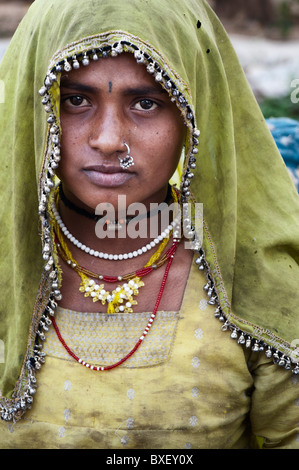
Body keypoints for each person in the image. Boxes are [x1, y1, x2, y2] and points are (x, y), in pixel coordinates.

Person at [0, 0, 298, 450]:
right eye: (75, 100)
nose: (106, 139)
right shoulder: (7, 263)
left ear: (194, 115)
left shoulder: (258, 280)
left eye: (146, 102)